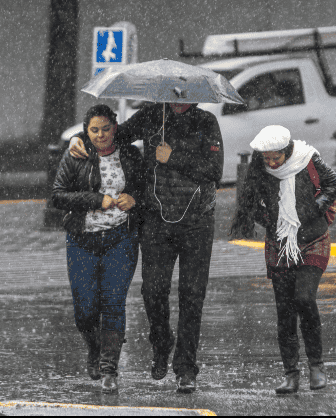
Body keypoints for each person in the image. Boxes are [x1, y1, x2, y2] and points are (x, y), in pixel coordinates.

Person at [69, 101, 223, 394]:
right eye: (173, 93)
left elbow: (214, 170)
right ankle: (162, 341)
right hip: (157, 220)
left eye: (185, 94)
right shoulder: (153, 114)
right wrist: (80, 135)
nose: (178, 99)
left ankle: (186, 368)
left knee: (192, 295)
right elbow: (115, 133)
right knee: (153, 291)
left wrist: (173, 157)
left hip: (197, 222)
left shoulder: (206, 122)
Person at [230, 125, 336, 395]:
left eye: (275, 158)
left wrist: (316, 207)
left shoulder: (307, 158)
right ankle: (291, 374)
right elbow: (249, 203)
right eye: (266, 158)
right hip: (279, 243)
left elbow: (334, 184)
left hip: (313, 239)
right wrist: (270, 219)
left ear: (287, 149)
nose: (271, 163)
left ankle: (317, 366)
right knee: (285, 312)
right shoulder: (259, 169)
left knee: (304, 298)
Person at [52, 104, 145, 394]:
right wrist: (96, 200)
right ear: (86, 131)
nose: (101, 135)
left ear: (115, 127)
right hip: (82, 240)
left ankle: (109, 370)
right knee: (86, 309)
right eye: (94, 130)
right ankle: (93, 349)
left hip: (121, 238)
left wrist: (134, 198)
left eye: (106, 128)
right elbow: (58, 196)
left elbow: (145, 187)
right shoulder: (76, 153)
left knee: (114, 302)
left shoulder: (130, 153)